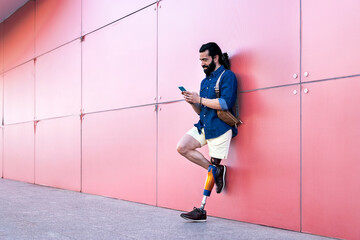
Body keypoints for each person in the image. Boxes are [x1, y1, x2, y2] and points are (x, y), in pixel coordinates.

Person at [177, 42, 238, 222]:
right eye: (200, 60)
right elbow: (201, 109)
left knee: (213, 164)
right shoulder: (205, 81)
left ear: (216, 58)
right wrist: (193, 102)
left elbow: (225, 103)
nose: (202, 63)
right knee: (182, 147)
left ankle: (202, 209)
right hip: (204, 125)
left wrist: (200, 99)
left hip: (220, 128)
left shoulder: (227, 76)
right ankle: (216, 170)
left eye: (205, 59)